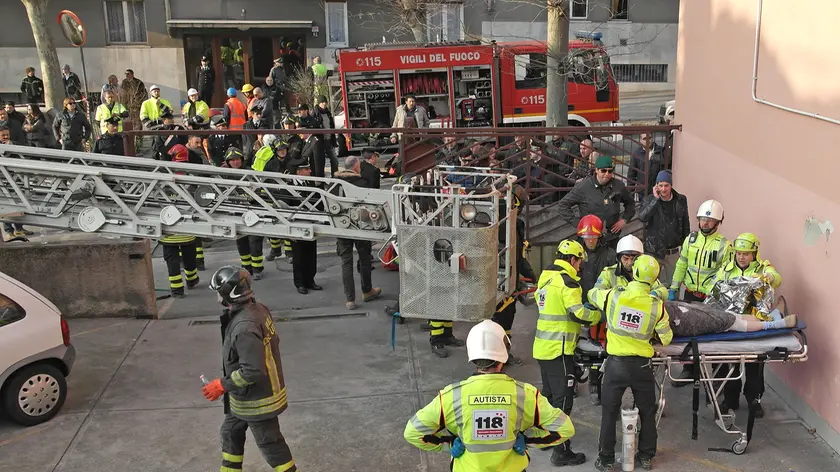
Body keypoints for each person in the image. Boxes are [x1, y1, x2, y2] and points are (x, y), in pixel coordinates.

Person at [404, 320, 576, 471]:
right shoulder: (526, 394)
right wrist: (529, 439)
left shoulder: (451, 396)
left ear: (472, 356)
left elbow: (413, 432)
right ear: (504, 354)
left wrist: (448, 443)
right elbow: (564, 429)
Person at [203, 266, 296, 472]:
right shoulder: (258, 309)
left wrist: (221, 385)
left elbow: (252, 370)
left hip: (258, 401)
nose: (217, 297)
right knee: (230, 432)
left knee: (271, 445)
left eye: (219, 292)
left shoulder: (244, 326)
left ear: (228, 295)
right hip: (244, 397)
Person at [590, 255, 673, 472]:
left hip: (616, 365)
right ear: (654, 279)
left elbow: (592, 294)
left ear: (634, 272)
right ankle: (645, 457)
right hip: (642, 367)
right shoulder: (657, 306)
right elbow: (666, 338)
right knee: (647, 411)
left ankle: (606, 460)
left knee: (609, 412)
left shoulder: (614, 297)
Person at [533, 239, 601, 466]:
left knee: (550, 398)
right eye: (580, 261)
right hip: (559, 350)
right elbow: (577, 314)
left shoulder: (545, 278)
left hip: (543, 347)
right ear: (573, 259)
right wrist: (598, 316)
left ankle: (546, 438)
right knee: (563, 402)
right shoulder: (568, 282)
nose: (580, 265)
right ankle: (561, 451)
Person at [714, 232, 783, 417]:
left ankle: (754, 399)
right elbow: (715, 287)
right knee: (731, 363)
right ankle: (730, 399)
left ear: (754, 253)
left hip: (755, 324)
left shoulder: (763, 268)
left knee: (755, 363)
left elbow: (777, 279)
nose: (741, 257)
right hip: (733, 322)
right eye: (738, 253)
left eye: (746, 253)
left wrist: (768, 276)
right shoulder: (727, 269)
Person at [669, 199, 732, 385]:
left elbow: (722, 274)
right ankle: (689, 370)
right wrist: (674, 287)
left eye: (710, 220)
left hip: (710, 298)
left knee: (714, 338)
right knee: (688, 334)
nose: (705, 223)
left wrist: (712, 293)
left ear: (718, 222)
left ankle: (717, 379)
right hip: (689, 294)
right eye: (702, 219)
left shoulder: (723, 245)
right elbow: (682, 263)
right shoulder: (691, 239)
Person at [333, 156, 383, 309]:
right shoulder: (361, 184)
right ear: (355, 168)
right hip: (360, 228)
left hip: (341, 227)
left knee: (346, 262)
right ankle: (367, 291)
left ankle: (350, 300)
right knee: (364, 258)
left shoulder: (335, 185)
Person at [557, 155, 635, 250]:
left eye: (610, 171)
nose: (607, 174)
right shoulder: (583, 187)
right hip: (589, 240)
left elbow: (630, 204)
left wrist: (624, 220)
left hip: (611, 238)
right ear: (596, 170)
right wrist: (579, 224)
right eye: (603, 171)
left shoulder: (618, 186)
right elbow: (562, 205)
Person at [637, 170, 690, 287]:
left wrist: (686, 247)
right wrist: (655, 200)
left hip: (674, 251)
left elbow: (685, 223)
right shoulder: (649, 200)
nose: (664, 189)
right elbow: (642, 217)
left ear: (671, 185)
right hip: (654, 251)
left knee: (674, 286)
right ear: (656, 186)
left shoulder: (681, 200)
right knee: (653, 286)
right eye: (660, 185)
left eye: (666, 185)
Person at [159, 147, 200, 298]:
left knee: (173, 262)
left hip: (168, 231)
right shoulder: (191, 177)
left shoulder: (161, 178)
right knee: (189, 259)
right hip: (186, 230)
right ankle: (191, 280)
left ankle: (177, 290)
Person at [285, 157, 322, 295]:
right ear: (299, 172)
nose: (310, 170)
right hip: (297, 225)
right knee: (299, 256)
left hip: (310, 223)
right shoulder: (289, 187)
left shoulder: (309, 182)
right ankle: (300, 283)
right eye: (307, 169)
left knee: (311, 254)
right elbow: (285, 207)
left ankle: (310, 280)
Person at [312, 95, 338, 176]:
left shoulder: (328, 113)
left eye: (325, 102)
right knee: (320, 162)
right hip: (320, 141)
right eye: (322, 102)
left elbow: (331, 125)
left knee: (335, 160)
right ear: (319, 103)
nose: (324, 104)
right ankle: (321, 179)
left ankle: (335, 178)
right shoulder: (315, 113)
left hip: (329, 140)